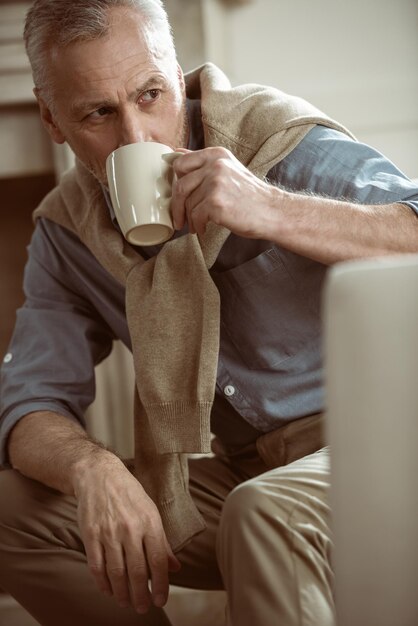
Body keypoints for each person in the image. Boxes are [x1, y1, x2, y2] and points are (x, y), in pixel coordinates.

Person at [0, 1, 417, 625]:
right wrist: (94, 468)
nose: (136, 137)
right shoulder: (68, 231)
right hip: (245, 470)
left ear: (178, 74)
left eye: (150, 94)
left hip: (380, 445)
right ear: (52, 120)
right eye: (98, 113)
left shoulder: (276, 143)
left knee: (263, 510)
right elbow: (27, 399)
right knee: (9, 510)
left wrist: (273, 209)